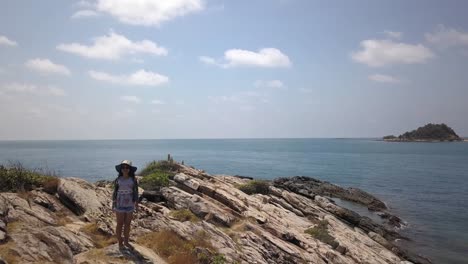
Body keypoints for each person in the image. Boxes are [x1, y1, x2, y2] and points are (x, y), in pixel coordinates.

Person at [112, 160, 139, 250]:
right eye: (123, 167)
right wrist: (113, 202)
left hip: (130, 203)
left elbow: (136, 192)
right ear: (121, 169)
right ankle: (120, 241)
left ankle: (126, 241)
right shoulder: (118, 179)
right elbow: (115, 192)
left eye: (127, 167)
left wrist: (137, 203)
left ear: (130, 169)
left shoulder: (133, 179)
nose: (125, 169)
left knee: (127, 224)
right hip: (119, 202)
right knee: (119, 223)